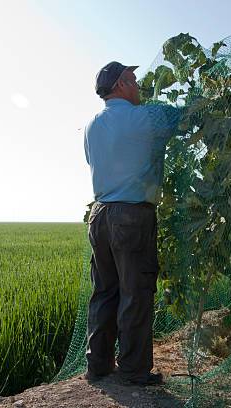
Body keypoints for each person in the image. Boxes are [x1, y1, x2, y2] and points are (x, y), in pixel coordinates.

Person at [83, 61, 184, 386]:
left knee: (105, 291)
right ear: (123, 84)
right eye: (135, 80)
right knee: (136, 292)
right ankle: (133, 370)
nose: (139, 86)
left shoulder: (92, 125)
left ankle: (98, 365)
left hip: (100, 215)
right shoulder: (144, 117)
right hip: (132, 215)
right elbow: (181, 115)